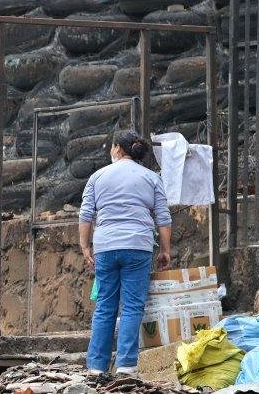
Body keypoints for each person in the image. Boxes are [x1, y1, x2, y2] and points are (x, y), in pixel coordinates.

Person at [80, 130, 172, 376]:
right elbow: (163, 217)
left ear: (118, 149)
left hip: (106, 247)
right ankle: (126, 366)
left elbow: (86, 214)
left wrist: (85, 246)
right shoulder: (151, 177)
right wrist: (165, 250)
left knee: (105, 305)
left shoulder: (97, 176)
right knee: (132, 306)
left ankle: (96, 368)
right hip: (138, 247)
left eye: (112, 147)